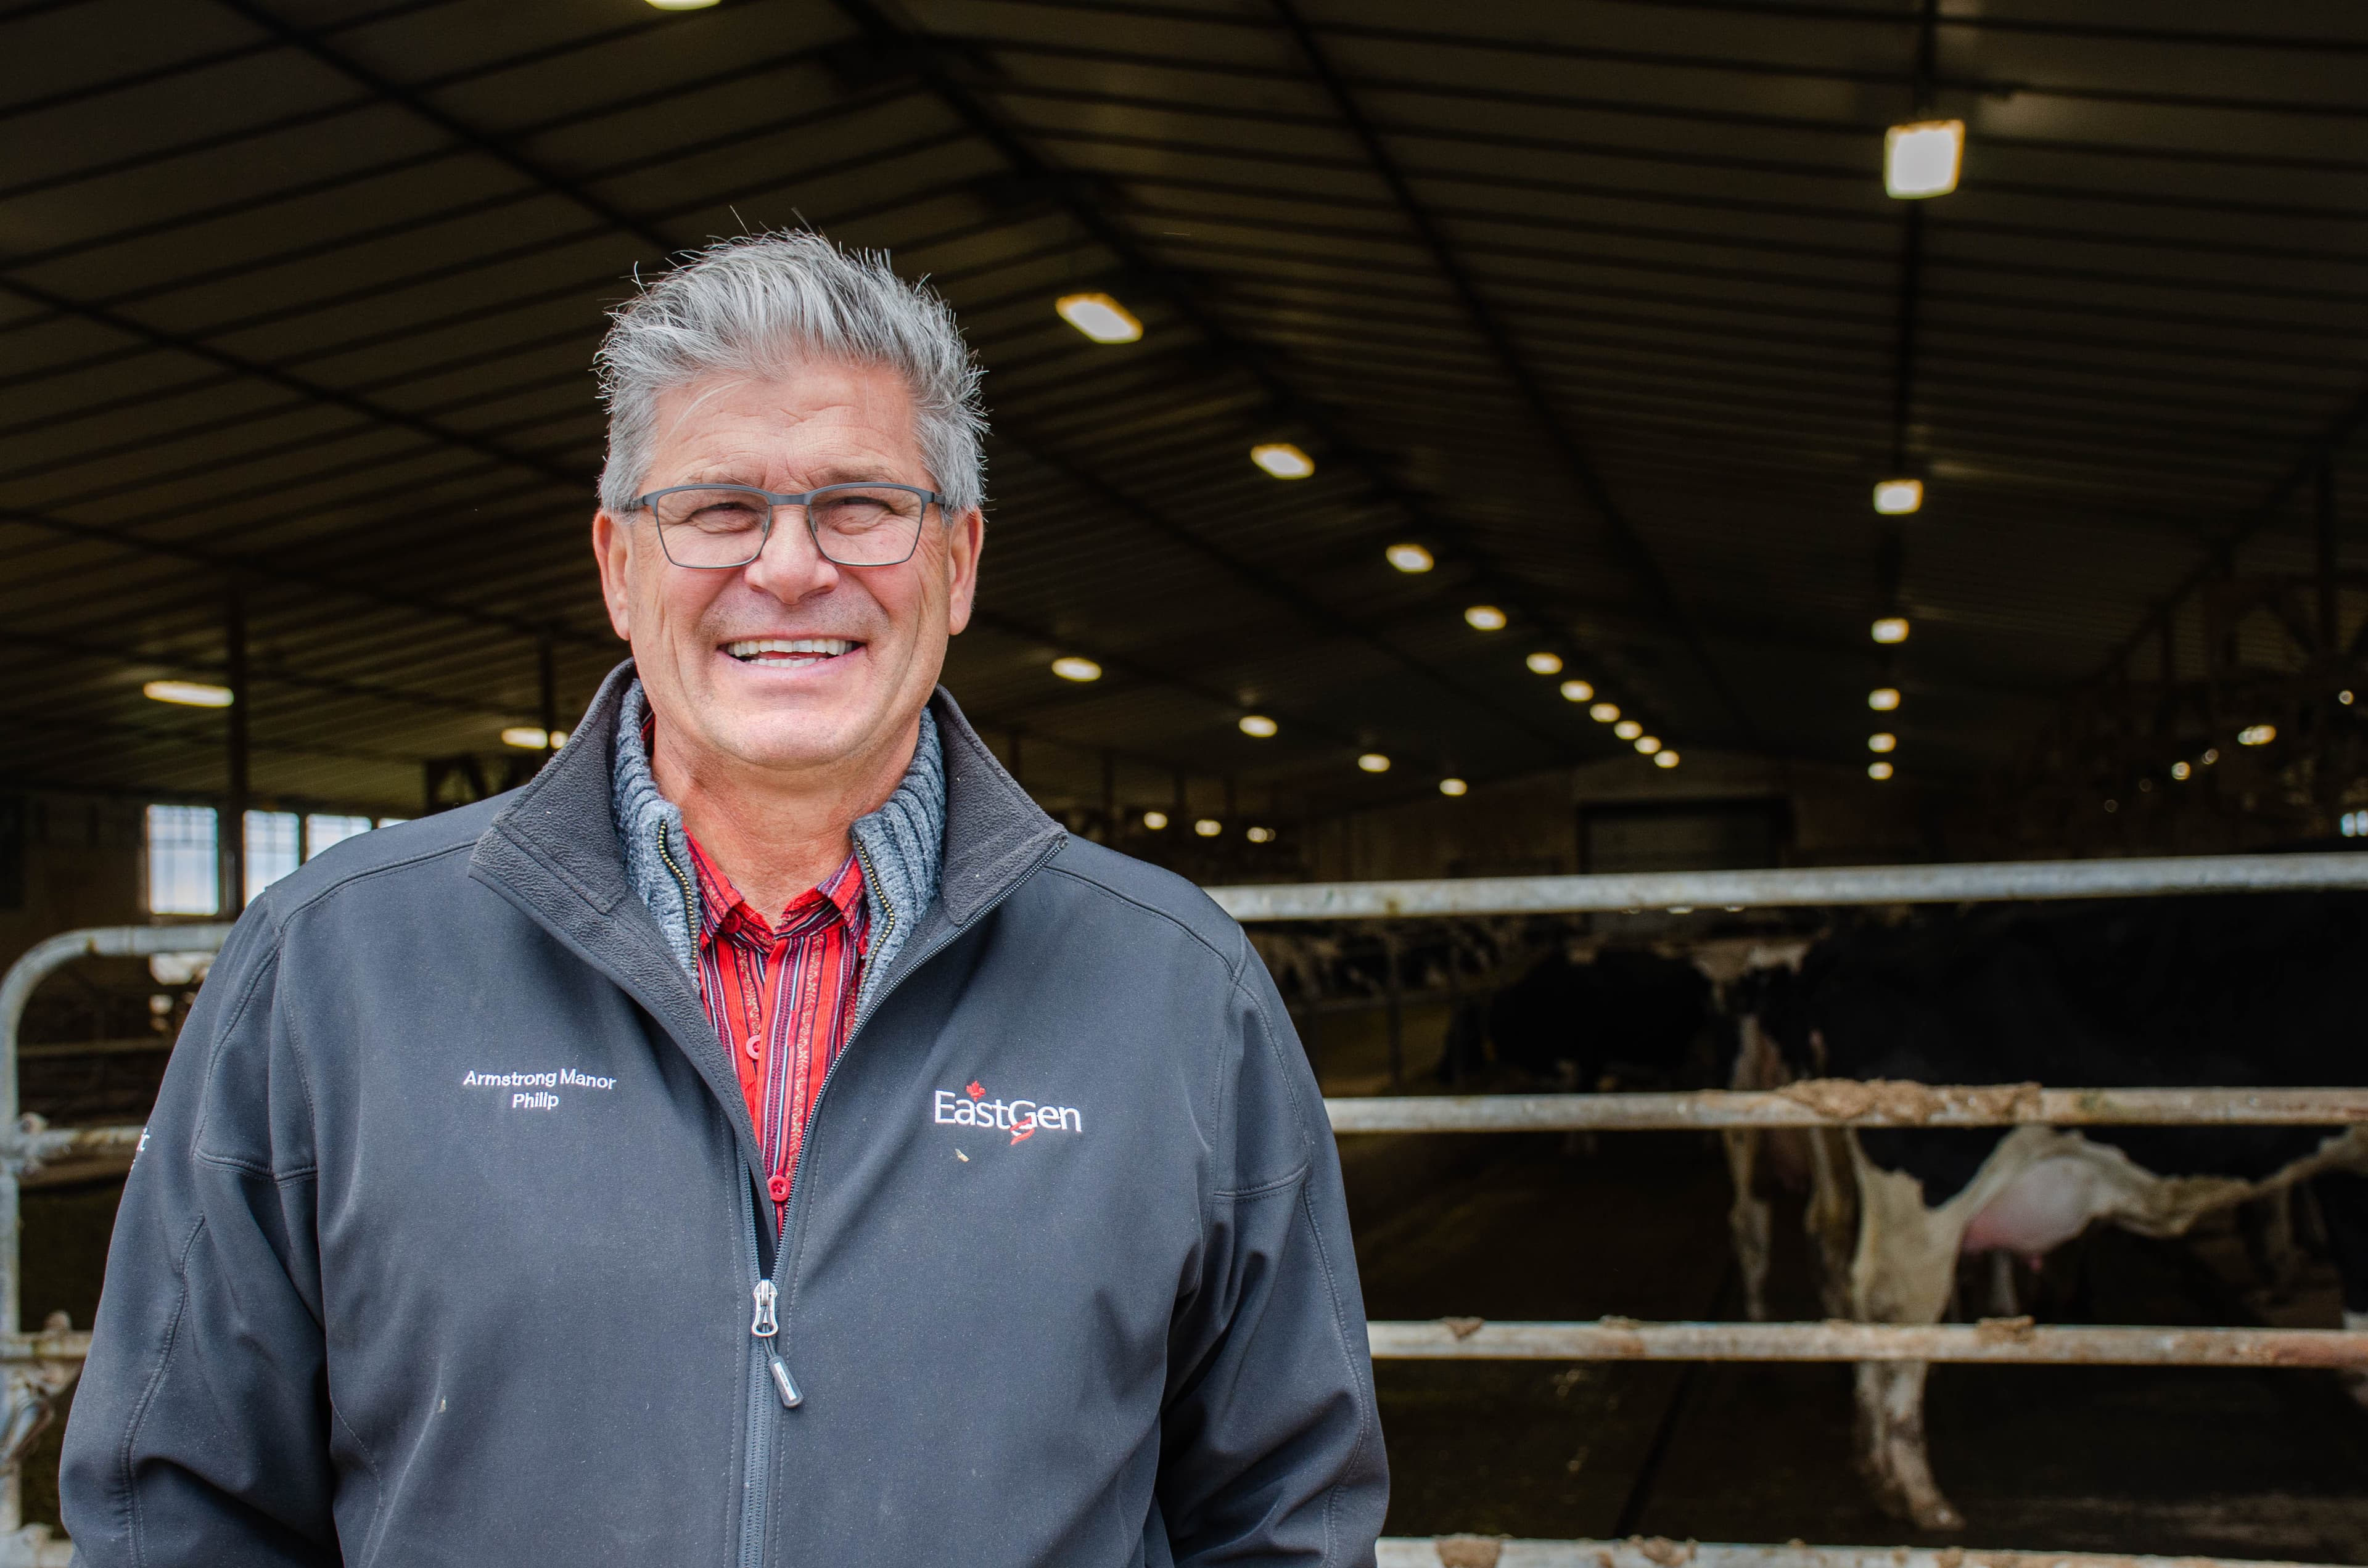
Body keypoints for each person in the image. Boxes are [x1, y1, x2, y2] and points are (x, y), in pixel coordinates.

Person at [60, 232, 1386, 1566]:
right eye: (717, 509)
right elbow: (177, 1507)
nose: (793, 568)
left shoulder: (1174, 987)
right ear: (619, 566)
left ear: (959, 562)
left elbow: (1287, 1512)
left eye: (862, 505)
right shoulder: (332, 965)